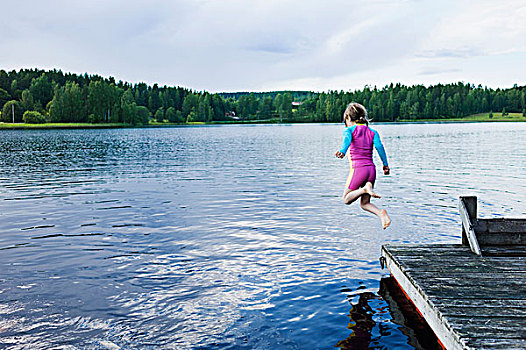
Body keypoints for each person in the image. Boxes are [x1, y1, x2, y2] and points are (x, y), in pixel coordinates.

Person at [334, 102, 391, 229]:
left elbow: (347, 141)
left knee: (346, 199)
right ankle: (381, 214)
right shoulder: (373, 132)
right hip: (371, 170)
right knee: (365, 203)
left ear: (349, 118)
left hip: (358, 170)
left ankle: (365, 189)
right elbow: (379, 147)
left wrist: (342, 151)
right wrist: (385, 165)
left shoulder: (349, 130)